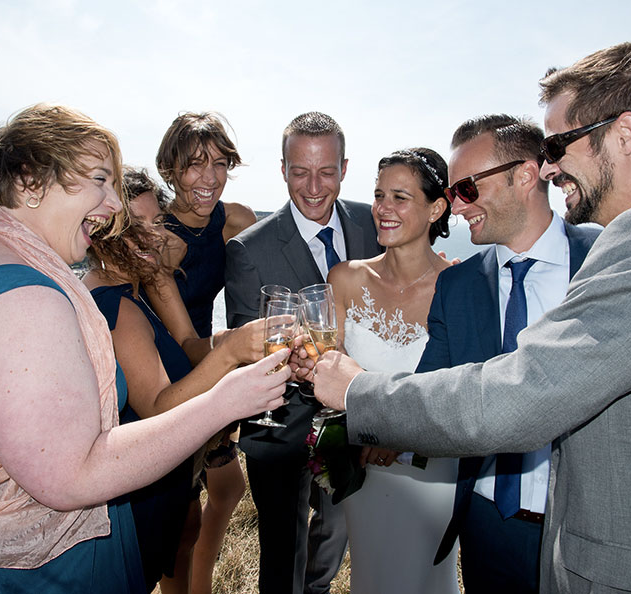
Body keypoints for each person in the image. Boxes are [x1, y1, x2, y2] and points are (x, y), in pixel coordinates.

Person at [313, 40, 631, 593]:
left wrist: (359, 392)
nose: (551, 165)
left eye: (562, 144)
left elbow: (525, 394)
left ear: (626, 134)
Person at [0, 103, 290, 593]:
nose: (112, 205)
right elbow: (72, 476)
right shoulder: (28, 298)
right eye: (99, 181)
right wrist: (227, 398)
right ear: (29, 182)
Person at [414, 116, 598, 593]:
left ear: (525, 175)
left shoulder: (606, 260)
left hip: (589, 533)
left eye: (467, 189)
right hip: (488, 527)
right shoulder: (455, 285)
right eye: (453, 192)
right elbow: (429, 396)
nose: (455, 207)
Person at [83, 166, 267, 593]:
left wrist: (228, 338)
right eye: (134, 227)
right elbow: (159, 407)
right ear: (102, 230)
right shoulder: (118, 309)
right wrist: (231, 354)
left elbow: (186, 343)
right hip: (137, 487)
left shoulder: (130, 287)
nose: (153, 238)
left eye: (155, 223)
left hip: (153, 476)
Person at [224, 111, 382, 594]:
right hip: (281, 424)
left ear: (345, 167)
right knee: (282, 552)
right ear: (283, 169)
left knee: (336, 532)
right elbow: (244, 343)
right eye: (299, 171)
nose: (313, 187)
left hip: (353, 419)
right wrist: (285, 365)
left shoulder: (373, 222)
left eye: (326, 171)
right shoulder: (249, 250)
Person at [326, 148, 459, 593]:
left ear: (436, 208)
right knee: (373, 577)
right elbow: (327, 371)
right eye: (379, 194)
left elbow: (465, 387)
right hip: (366, 469)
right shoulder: (344, 279)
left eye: (400, 197)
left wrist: (403, 432)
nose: (383, 208)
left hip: (434, 472)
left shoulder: (461, 286)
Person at [151, 113, 258, 594]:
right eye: (194, 165)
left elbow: (258, 286)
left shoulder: (234, 220)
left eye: (219, 163)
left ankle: (202, 582)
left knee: (230, 486)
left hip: (212, 360)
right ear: (169, 168)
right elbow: (182, 340)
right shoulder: (158, 237)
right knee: (181, 519)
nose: (209, 178)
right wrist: (233, 355)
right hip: (170, 371)